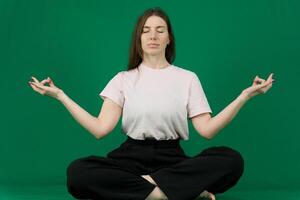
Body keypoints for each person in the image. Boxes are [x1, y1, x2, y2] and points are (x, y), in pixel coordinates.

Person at [28, 7, 274, 200]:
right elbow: (100, 129)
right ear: (139, 38)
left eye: (160, 30)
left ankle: (144, 191)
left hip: (172, 158)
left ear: (169, 38)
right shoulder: (123, 79)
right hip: (129, 158)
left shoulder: (187, 78)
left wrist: (244, 96)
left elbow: (207, 131)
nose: (153, 35)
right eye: (146, 30)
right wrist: (61, 96)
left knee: (231, 160)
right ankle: (173, 191)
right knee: (77, 173)